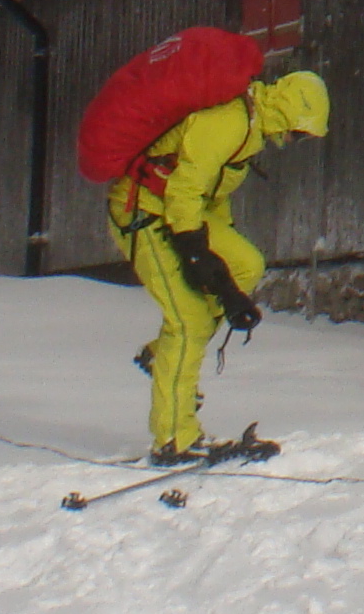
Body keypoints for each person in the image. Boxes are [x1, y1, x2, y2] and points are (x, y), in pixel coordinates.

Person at [115, 69, 330, 464]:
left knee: (247, 264)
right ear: (286, 112)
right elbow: (184, 190)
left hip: (180, 211)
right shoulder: (227, 121)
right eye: (299, 133)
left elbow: (213, 199)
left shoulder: (249, 134)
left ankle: (160, 356)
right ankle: (173, 440)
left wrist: (224, 268)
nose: (293, 142)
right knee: (190, 322)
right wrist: (197, 253)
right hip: (142, 210)